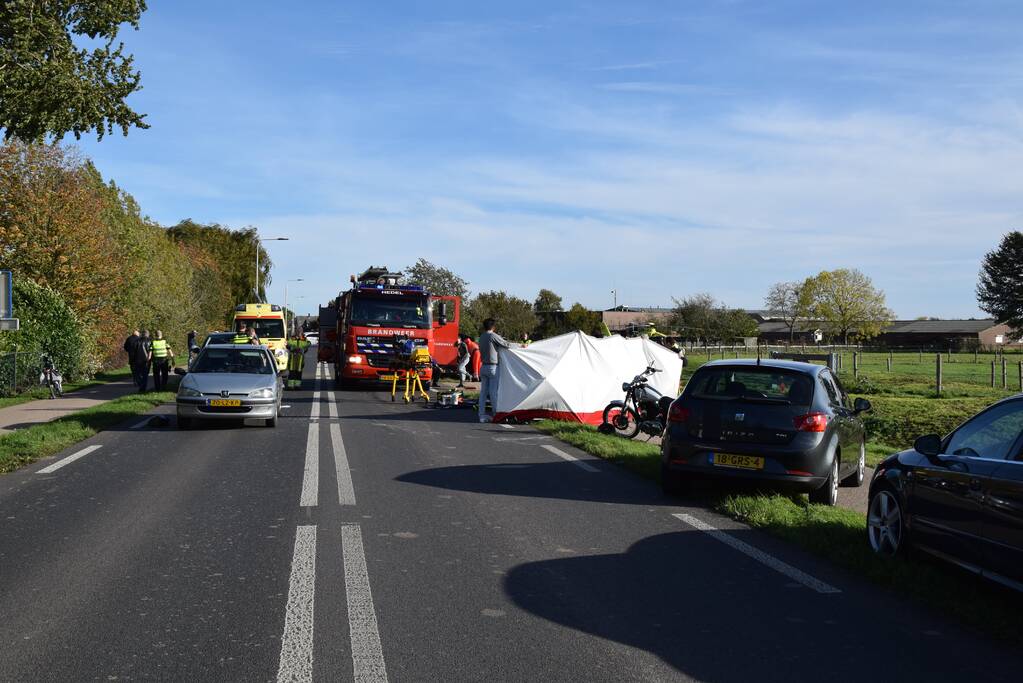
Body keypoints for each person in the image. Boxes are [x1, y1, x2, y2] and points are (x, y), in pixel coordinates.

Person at [477, 318, 510, 423]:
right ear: (493, 327)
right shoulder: (493, 336)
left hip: (483, 367)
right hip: (493, 367)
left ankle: (481, 415)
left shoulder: (481, 337)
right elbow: (506, 344)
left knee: (483, 392)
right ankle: (496, 414)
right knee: (493, 392)